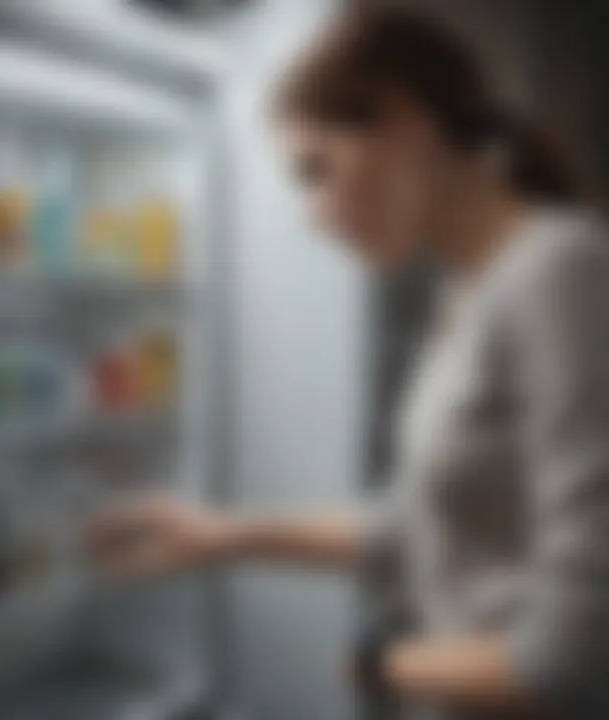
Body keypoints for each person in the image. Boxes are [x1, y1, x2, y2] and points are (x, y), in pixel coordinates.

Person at [89, 5, 609, 719]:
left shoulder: (561, 273)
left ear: (402, 123)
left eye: (317, 170)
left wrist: (376, 667)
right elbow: (411, 527)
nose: (313, 213)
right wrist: (220, 535)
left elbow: (570, 658)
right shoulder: (468, 293)